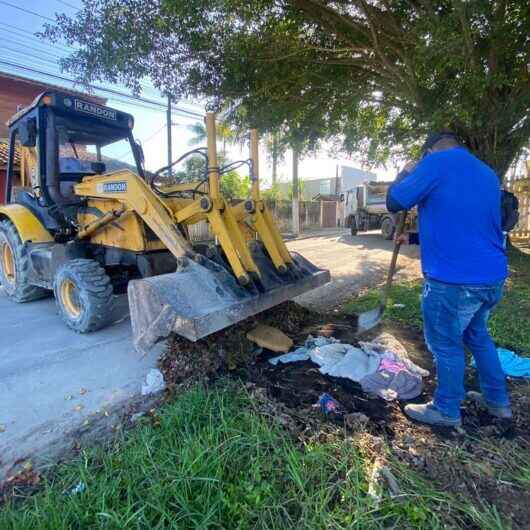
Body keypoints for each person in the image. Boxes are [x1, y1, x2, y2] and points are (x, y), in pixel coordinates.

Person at [387, 132, 511, 427]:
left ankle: (445, 410)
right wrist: (413, 236)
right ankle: (498, 403)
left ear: (431, 150)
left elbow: (395, 200)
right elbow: (467, 224)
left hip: (454, 281)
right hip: (491, 277)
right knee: (478, 336)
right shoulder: (486, 173)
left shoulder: (436, 164)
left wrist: (405, 172)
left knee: (445, 343)